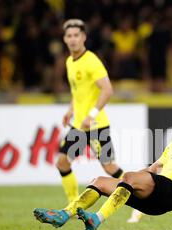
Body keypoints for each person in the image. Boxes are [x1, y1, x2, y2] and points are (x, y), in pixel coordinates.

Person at [33, 100, 172, 230]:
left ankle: (96, 219)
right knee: (99, 182)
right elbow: (154, 168)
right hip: (153, 200)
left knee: (130, 177)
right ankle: (64, 214)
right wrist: (126, 181)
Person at [57, 19, 124, 204]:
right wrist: (70, 110)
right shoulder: (70, 61)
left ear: (83, 37)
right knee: (62, 162)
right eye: (69, 36)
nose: (73, 39)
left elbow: (107, 89)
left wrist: (91, 115)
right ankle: (73, 204)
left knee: (110, 168)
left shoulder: (91, 61)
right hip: (79, 125)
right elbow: (78, 92)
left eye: (76, 35)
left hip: (96, 125)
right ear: (64, 39)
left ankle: (138, 195)